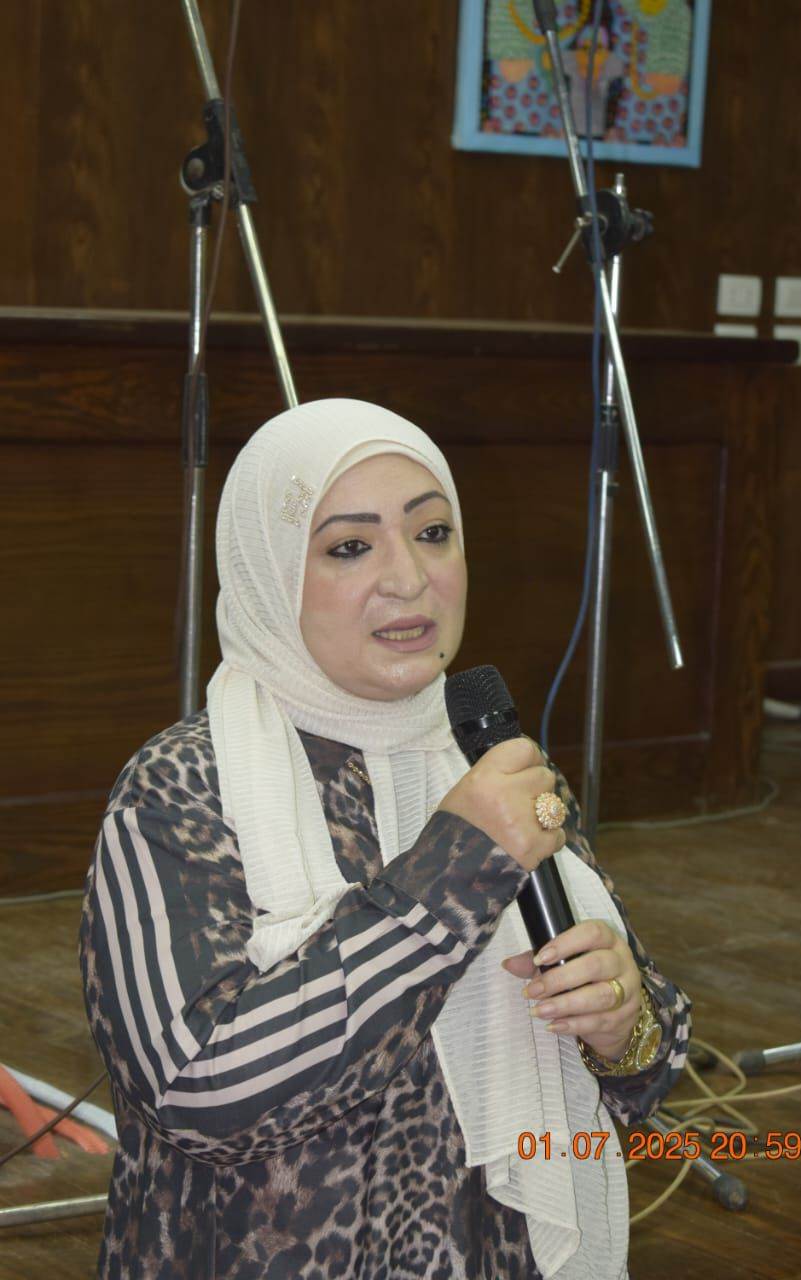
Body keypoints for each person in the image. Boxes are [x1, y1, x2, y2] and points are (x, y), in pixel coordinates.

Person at [79, 398, 691, 1280]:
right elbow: (197, 1093)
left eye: (433, 533)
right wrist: (454, 869)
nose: (407, 578)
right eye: (349, 547)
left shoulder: (487, 759)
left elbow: (648, 1059)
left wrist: (622, 1024)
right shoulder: (180, 788)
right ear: (268, 573)